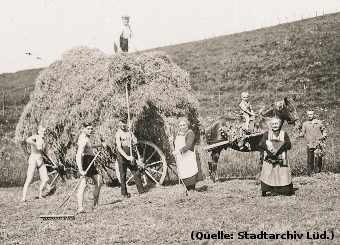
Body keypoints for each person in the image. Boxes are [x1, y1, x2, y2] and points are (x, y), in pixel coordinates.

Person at [258, 117, 293, 196]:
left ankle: (286, 190)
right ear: (271, 125)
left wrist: (279, 147)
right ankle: (265, 191)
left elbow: (289, 145)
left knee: (283, 173)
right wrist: (270, 150)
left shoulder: (284, 134)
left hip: (281, 156)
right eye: (273, 124)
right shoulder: (267, 134)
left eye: (276, 124)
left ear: (280, 124)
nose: (274, 125)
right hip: (269, 157)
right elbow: (261, 144)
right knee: (268, 173)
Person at [76, 122, 106, 213]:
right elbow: (78, 155)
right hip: (85, 161)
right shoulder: (83, 140)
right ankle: (80, 207)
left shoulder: (88, 137)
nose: (90, 130)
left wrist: (100, 144)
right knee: (83, 185)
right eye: (88, 129)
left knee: (99, 181)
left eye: (91, 128)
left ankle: (95, 205)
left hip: (91, 160)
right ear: (83, 129)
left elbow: (90, 146)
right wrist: (81, 170)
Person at [115, 119, 144, 198]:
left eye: (124, 123)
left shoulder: (129, 131)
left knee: (136, 172)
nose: (123, 125)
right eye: (121, 123)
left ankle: (141, 191)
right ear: (118, 124)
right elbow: (119, 148)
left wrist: (133, 136)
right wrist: (127, 157)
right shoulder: (118, 133)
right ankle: (124, 193)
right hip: (122, 154)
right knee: (123, 174)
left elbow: (135, 141)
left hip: (130, 152)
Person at [172, 117, 202, 191]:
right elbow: (177, 144)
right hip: (182, 157)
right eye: (181, 125)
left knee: (190, 171)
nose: (182, 127)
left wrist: (178, 151)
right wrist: (171, 141)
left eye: (184, 125)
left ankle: (192, 188)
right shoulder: (178, 133)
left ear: (187, 125)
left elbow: (189, 144)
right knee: (184, 171)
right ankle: (188, 188)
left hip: (189, 156)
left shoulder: (190, 133)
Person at [22, 125, 50, 201]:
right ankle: (24, 197)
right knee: (29, 179)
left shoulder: (45, 140)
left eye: (45, 131)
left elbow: (46, 152)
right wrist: (36, 144)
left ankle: (40, 194)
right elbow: (28, 140)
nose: (43, 133)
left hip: (41, 160)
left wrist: (51, 160)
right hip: (33, 159)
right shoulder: (36, 137)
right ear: (38, 131)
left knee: (46, 179)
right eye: (42, 131)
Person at [299, 110, 327, 176]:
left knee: (318, 160)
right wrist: (298, 133)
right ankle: (310, 174)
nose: (309, 116)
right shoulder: (305, 124)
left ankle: (317, 174)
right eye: (308, 114)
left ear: (314, 115)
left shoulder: (319, 123)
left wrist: (324, 135)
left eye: (311, 114)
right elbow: (302, 133)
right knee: (310, 160)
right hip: (310, 144)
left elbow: (324, 130)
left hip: (318, 144)